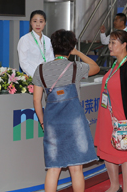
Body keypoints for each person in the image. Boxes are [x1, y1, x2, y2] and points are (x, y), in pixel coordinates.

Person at [32, 29, 100, 192]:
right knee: (76, 168)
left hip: (52, 123)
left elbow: (36, 100)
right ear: (70, 48)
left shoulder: (40, 69)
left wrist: (43, 122)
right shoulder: (76, 67)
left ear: (52, 46)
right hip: (75, 123)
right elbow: (96, 68)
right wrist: (78, 53)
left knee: (53, 168)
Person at [94, 30, 127, 192]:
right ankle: (115, 186)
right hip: (108, 118)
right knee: (108, 151)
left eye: (113, 43)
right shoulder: (116, 64)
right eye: (109, 42)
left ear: (123, 45)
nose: (109, 46)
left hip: (123, 120)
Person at [17, 10, 55, 77]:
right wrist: (37, 76)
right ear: (30, 22)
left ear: (45, 23)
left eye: (41, 21)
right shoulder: (25, 40)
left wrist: (48, 75)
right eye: (35, 21)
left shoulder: (48, 40)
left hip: (47, 77)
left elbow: (51, 60)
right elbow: (23, 63)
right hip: (32, 77)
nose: (38, 24)